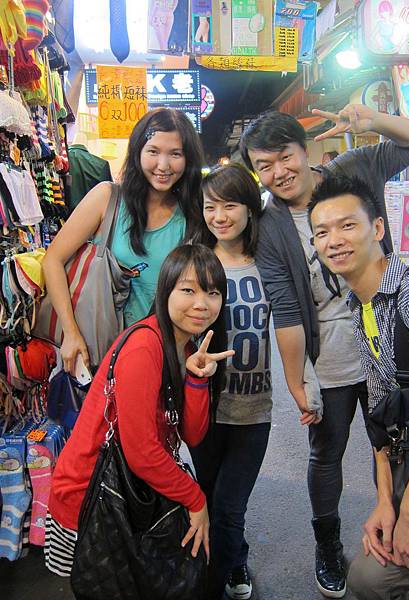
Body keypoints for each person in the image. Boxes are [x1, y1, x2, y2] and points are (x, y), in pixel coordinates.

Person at [239, 103, 409, 597]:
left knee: (401, 440)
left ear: (304, 150)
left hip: (389, 340)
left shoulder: (353, 170)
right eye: (264, 165)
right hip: (328, 355)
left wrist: (374, 121)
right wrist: (297, 379)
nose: (278, 172)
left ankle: (407, 531)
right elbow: (286, 307)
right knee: (326, 451)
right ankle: (327, 542)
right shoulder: (268, 225)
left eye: (285, 156)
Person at [45, 243, 233, 577]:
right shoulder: (144, 348)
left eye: (213, 292)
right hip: (92, 498)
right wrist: (195, 498)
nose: (201, 304)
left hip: (130, 491)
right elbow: (142, 452)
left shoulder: (186, 347)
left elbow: (192, 435)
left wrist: (197, 380)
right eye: (188, 290)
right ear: (165, 291)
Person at [308, 174, 409, 600]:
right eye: (322, 232)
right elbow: (380, 416)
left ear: (377, 228)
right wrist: (386, 502)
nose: (334, 240)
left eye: (347, 225)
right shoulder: (361, 307)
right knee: (367, 580)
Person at [43, 107, 203, 375]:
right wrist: (70, 333)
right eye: (153, 151)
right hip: (96, 352)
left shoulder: (193, 215)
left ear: (188, 159)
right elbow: (53, 260)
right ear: (138, 152)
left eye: (175, 154)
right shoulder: (107, 198)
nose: (163, 165)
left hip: (159, 357)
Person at [190, 163, 269, 600]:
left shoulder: (268, 263)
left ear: (249, 208)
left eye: (230, 205)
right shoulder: (196, 263)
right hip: (205, 406)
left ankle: (213, 584)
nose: (219, 216)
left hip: (254, 409)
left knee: (227, 506)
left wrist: (305, 383)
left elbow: (293, 325)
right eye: (210, 207)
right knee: (207, 496)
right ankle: (233, 560)